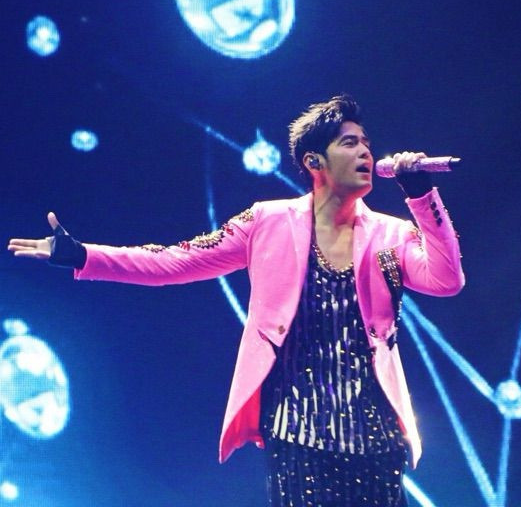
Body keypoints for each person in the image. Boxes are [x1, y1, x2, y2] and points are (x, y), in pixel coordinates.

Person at [8, 94, 464, 506]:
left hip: (375, 436)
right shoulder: (266, 222)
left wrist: (422, 196)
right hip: (296, 431)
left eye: (366, 143)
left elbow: (445, 280)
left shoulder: (392, 234)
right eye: (349, 143)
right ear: (314, 161)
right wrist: (83, 255)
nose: (365, 152)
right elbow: (174, 262)